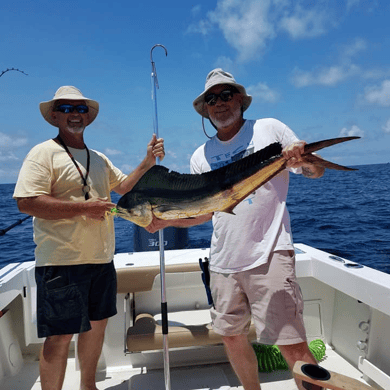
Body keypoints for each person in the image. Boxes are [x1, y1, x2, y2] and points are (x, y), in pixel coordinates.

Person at [146, 69, 325, 390]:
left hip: (269, 255)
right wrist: (167, 220)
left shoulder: (268, 129)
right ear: (205, 109)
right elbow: (204, 212)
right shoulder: (200, 156)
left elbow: (316, 171)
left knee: (292, 344)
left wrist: (304, 158)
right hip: (223, 263)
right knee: (230, 338)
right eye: (212, 99)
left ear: (240, 99)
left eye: (226, 95)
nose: (220, 103)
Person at [13, 86, 164, 390]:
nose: (75, 114)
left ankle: (87, 386)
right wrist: (83, 209)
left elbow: (123, 187)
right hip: (62, 262)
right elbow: (26, 202)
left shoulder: (99, 158)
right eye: (67, 109)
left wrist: (147, 161)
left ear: (88, 117)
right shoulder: (42, 153)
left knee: (96, 329)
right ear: (55, 116)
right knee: (59, 337)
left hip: (101, 260)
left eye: (80, 109)